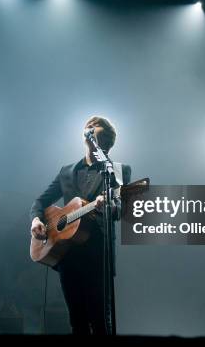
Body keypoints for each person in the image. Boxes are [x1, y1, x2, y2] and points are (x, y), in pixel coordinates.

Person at [29, 116, 131, 334]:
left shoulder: (118, 171)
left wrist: (106, 207)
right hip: (66, 255)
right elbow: (40, 202)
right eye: (89, 128)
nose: (90, 130)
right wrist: (37, 220)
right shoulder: (67, 171)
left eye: (95, 130)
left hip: (97, 256)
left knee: (100, 322)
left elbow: (120, 209)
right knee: (77, 322)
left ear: (106, 142)